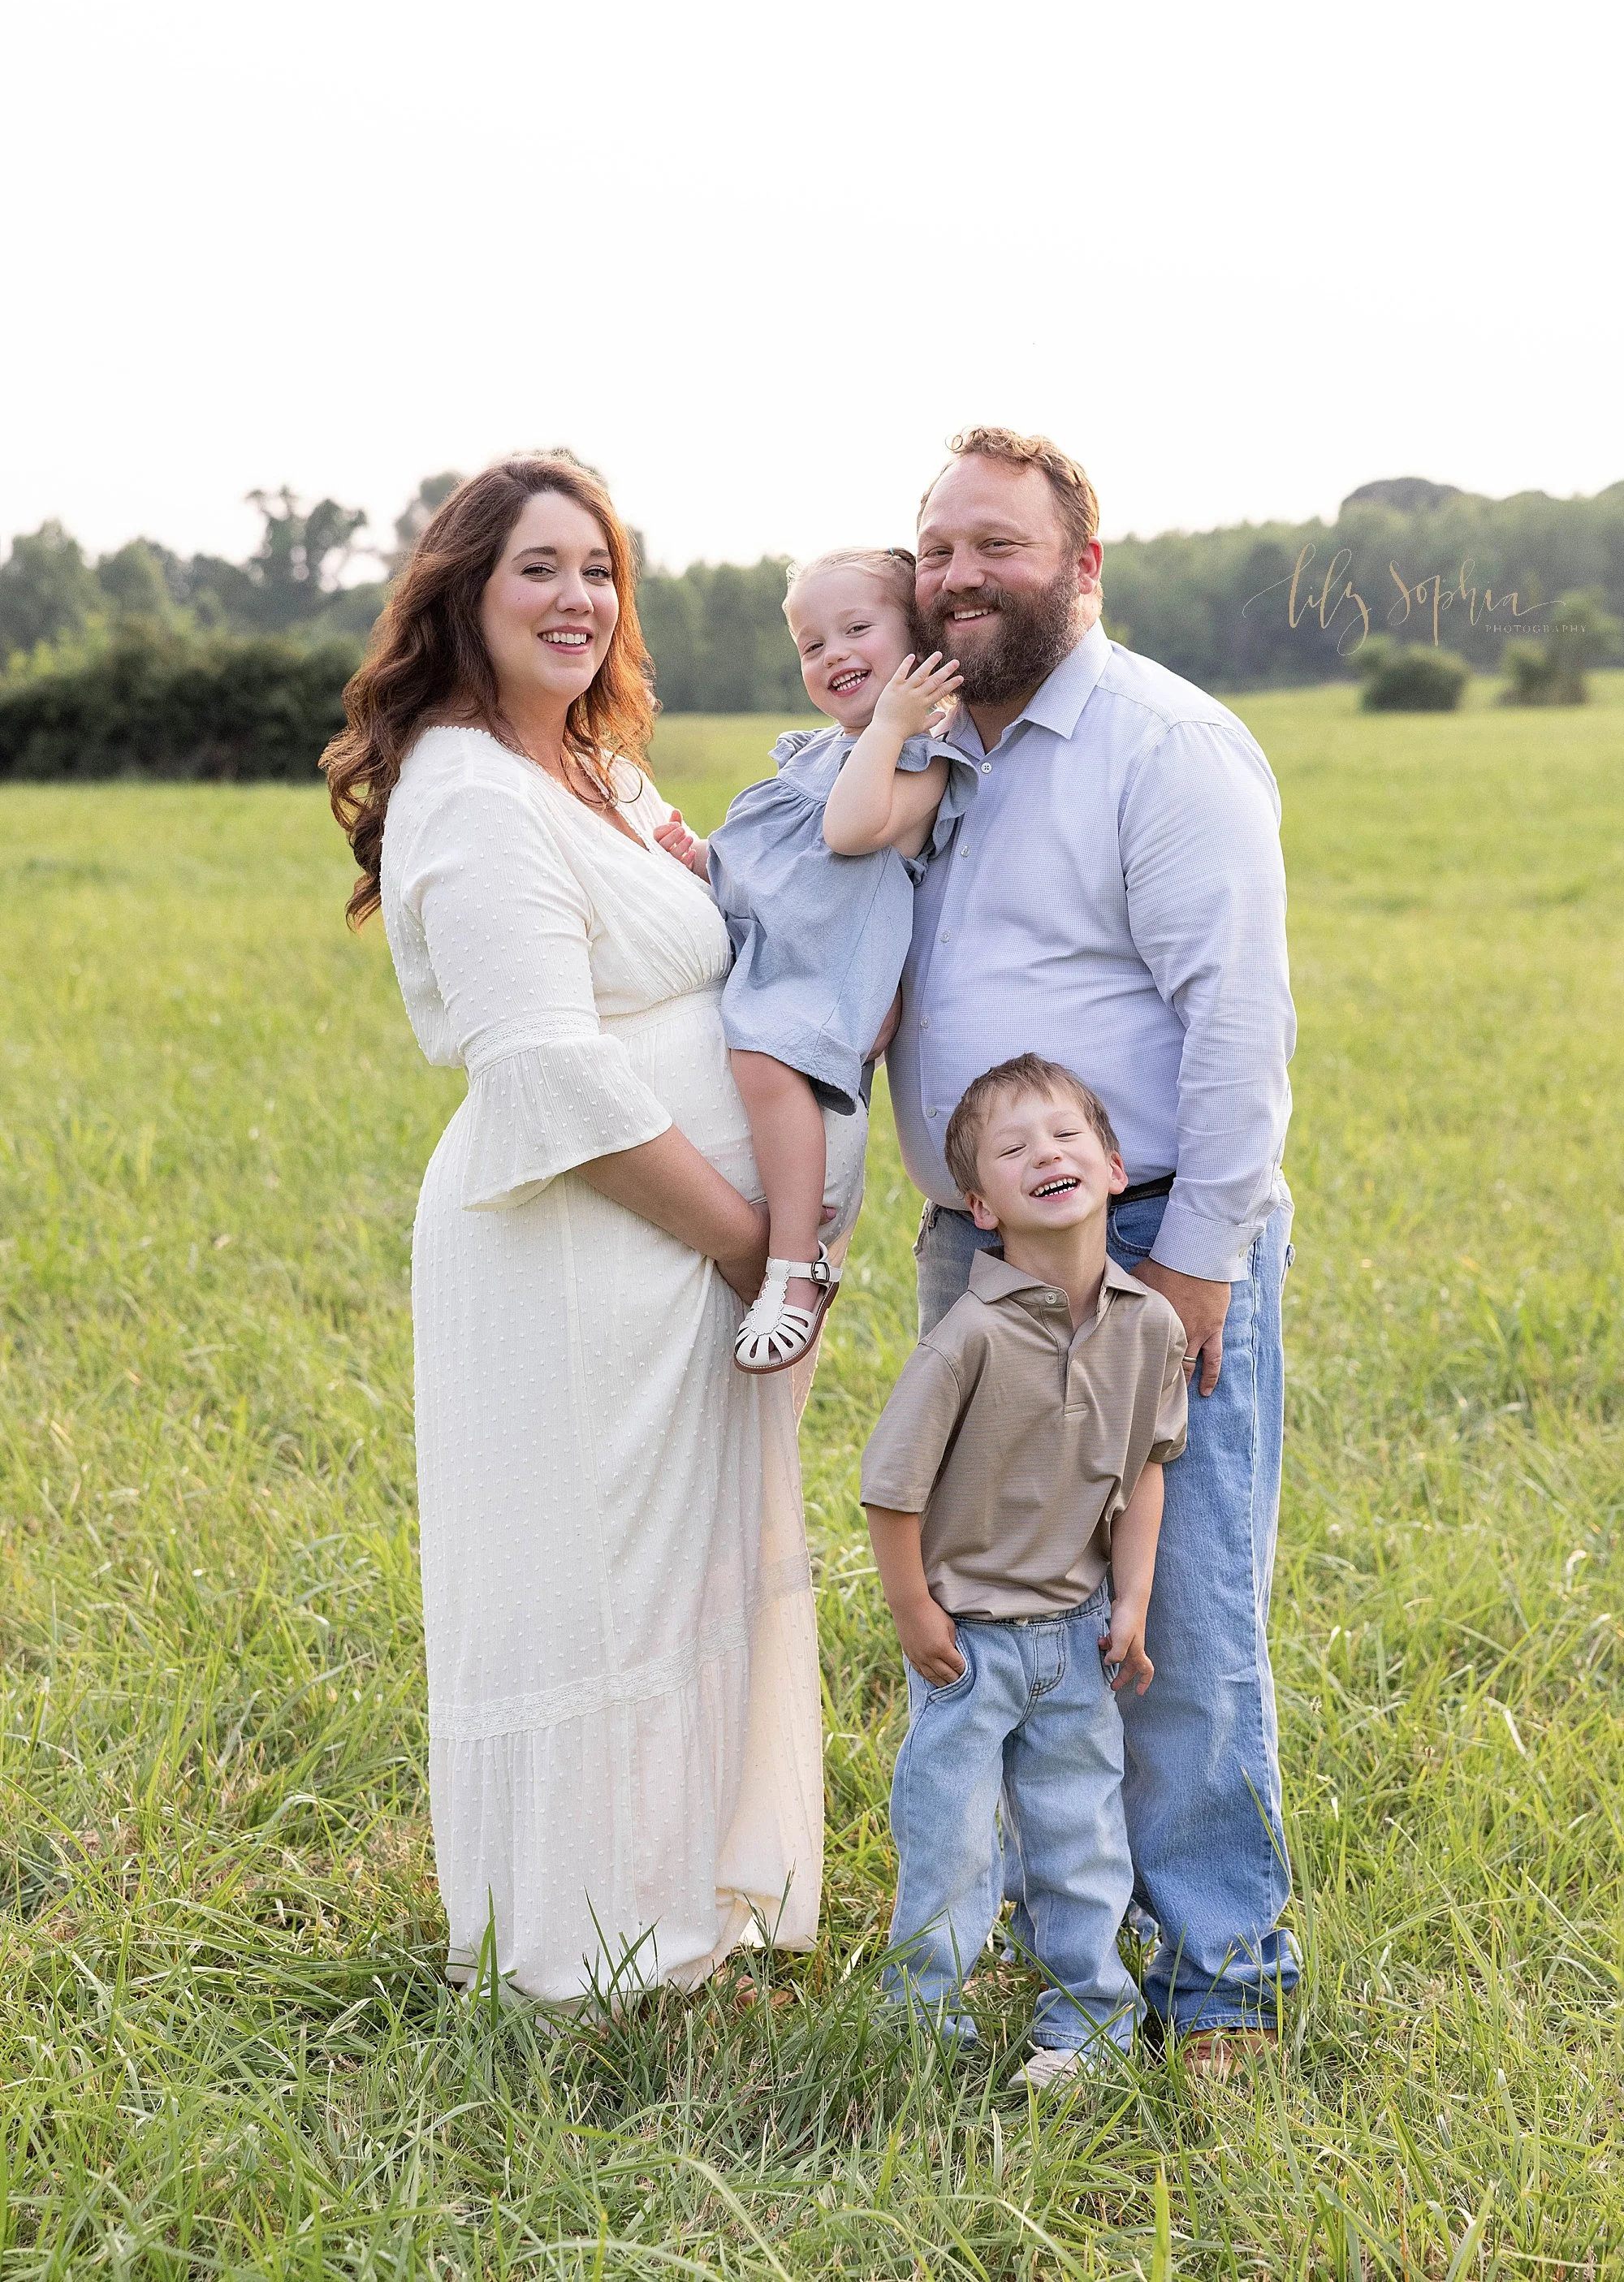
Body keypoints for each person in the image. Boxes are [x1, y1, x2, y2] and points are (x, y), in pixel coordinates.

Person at [321, 453, 822, 2005]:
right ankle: (583, 1957)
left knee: (682, 1582)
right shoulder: (469, 787)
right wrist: (753, 1237)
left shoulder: (592, 768)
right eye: (539, 567)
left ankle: (681, 1918)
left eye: (598, 568)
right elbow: (545, 1068)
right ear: (464, 592)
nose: (577, 599)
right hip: (585, 1247)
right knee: (595, 1582)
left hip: (669, 1254)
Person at [890, 425, 1298, 2072]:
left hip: (1142, 1243)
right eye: (934, 549)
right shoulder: (922, 751)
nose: (959, 574)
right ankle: (1058, 1938)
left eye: (996, 543)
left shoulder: (1159, 743)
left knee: (1175, 1614)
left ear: (1081, 565)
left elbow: (1237, 1023)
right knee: (1009, 1614)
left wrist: (1195, 1262)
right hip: (972, 1252)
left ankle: (1220, 1981)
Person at [862, 1055, 1187, 2089]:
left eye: (1063, 1136)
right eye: (1012, 1150)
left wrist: (1130, 1599)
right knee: (949, 1843)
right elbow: (891, 1488)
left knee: (1080, 1837)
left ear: (1113, 1163)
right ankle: (923, 2026)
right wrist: (914, 1612)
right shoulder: (969, 1335)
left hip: (1077, 1635)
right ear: (980, 1205)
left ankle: (1087, 2024)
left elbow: (1144, 1472)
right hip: (969, 1644)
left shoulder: (1150, 1325)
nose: (1043, 1154)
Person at [655, 548, 970, 1373]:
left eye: (856, 630)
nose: (831, 654)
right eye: (810, 644)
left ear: (916, 640)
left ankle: (796, 1266)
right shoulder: (819, 754)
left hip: (827, 973)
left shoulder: (921, 761)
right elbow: (774, 865)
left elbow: (846, 832)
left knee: (763, 1056)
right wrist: (703, 859)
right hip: (780, 950)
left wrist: (897, 723)